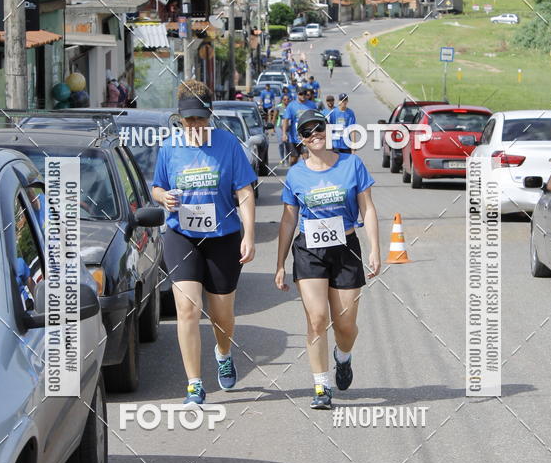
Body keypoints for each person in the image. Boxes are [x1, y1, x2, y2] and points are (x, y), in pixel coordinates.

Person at [152, 79, 256, 406]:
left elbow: (244, 191)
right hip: (181, 235)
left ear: (210, 115)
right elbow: (157, 186)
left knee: (221, 314)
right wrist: (163, 197)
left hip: (223, 238)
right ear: (180, 119)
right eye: (188, 120)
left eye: (200, 118)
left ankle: (223, 352)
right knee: (187, 308)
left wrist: (250, 234)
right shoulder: (169, 148)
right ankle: (194, 384)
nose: (194, 125)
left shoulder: (228, 144)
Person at [275, 109, 381, 410]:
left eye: (318, 128)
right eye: (307, 132)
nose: (314, 135)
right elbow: (288, 220)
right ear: (300, 139)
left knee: (345, 326)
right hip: (309, 250)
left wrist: (375, 249)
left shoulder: (351, 164)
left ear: (327, 129)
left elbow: (367, 208)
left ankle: (343, 356)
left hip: (346, 247)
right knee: (317, 318)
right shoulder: (296, 174)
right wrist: (279, 263)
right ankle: (321, 385)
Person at [282, 87, 317, 167]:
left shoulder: (312, 105)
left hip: (307, 136)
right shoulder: (291, 105)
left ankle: (305, 173)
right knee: (294, 159)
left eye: (305, 94)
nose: (303, 96)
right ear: (297, 94)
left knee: (306, 157)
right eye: (301, 94)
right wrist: (284, 134)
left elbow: (315, 118)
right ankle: (292, 171)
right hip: (294, 137)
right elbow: (286, 120)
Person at [274, 93, 291, 162]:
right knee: (281, 143)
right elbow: (274, 117)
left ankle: (286, 158)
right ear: (282, 100)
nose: (286, 101)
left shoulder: (291, 107)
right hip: (279, 127)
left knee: (287, 144)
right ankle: (282, 158)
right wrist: (272, 127)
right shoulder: (278, 107)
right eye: (284, 99)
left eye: (287, 99)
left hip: (288, 128)